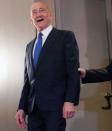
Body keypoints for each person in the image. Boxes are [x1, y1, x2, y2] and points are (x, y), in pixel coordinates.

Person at [15, 1, 80, 131]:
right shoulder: (29, 46)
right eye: (34, 12)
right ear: (31, 19)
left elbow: (73, 72)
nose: (38, 14)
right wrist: (21, 107)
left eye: (42, 10)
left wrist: (70, 100)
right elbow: (28, 81)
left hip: (55, 107)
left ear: (50, 15)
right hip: (33, 110)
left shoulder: (65, 37)